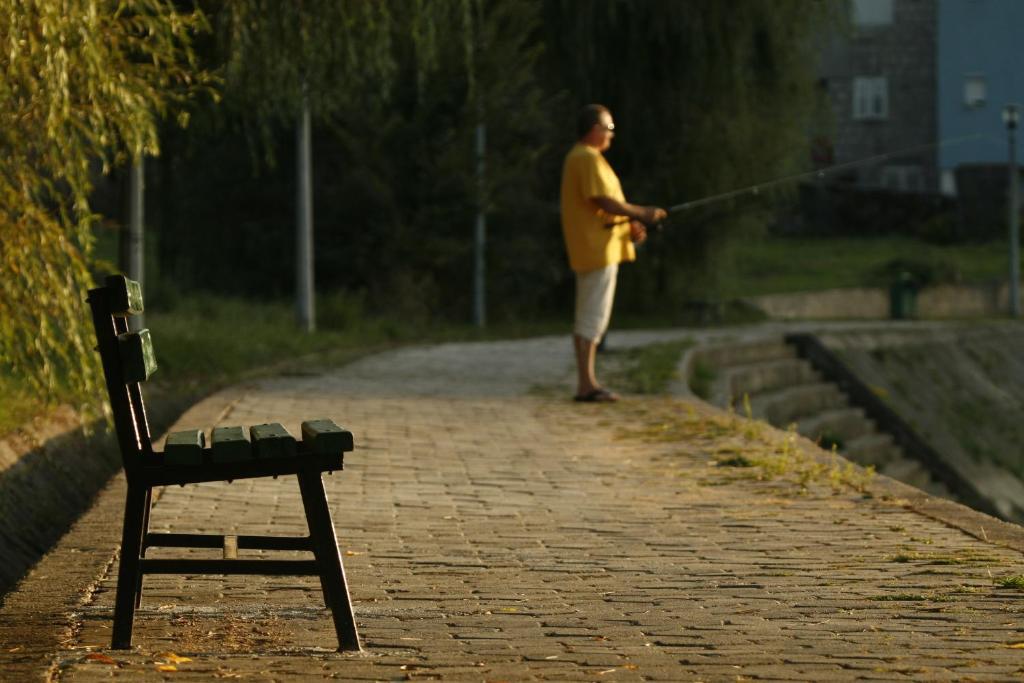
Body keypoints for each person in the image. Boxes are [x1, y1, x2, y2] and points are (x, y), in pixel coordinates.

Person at [559, 104, 666, 402]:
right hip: (596, 250)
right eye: (609, 129)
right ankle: (586, 384)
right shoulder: (584, 158)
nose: (612, 136)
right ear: (594, 129)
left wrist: (630, 223)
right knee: (591, 318)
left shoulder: (589, 159)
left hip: (601, 246)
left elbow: (603, 206)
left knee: (593, 316)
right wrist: (642, 212)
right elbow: (602, 201)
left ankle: (588, 382)